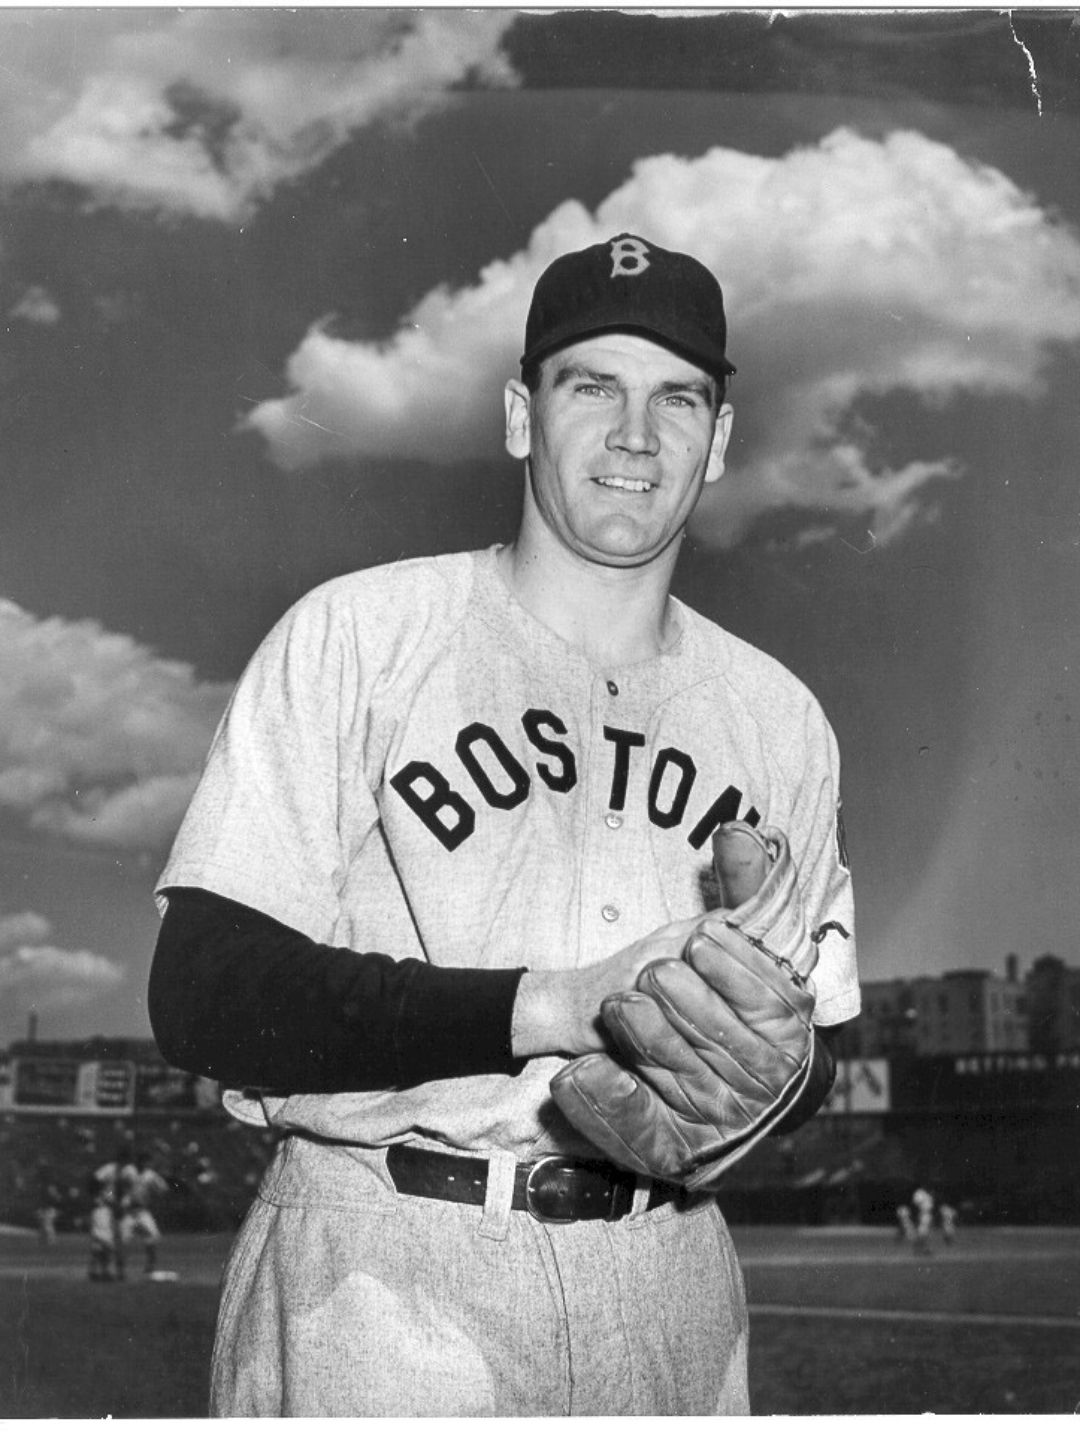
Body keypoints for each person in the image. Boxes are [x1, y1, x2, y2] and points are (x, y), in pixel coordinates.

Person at [149, 232, 859, 1416]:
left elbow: (819, 1039)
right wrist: (561, 1004)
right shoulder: (360, 635)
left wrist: (775, 1079)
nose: (636, 435)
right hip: (380, 1272)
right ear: (523, 417)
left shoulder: (779, 717)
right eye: (594, 387)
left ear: (721, 440)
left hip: (672, 1280)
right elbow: (206, 991)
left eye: (677, 398)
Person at [119, 1152, 170, 1275]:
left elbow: (163, 1188)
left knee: (153, 1236)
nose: (144, 1164)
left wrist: (155, 1194)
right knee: (123, 1240)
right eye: (143, 1161)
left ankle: (150, 1265)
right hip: (127, 1211)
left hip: (142, 1211)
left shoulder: (150, 1175)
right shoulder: (128, 1170)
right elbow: (118, 1183)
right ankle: (120, 1269)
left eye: (146, 1162)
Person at [87, 1177, 119, 1282]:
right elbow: (102, 1200)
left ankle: (105, 1272)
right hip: (99, 1224)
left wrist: (109, 1192)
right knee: (98, 1252)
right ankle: (95, 1272)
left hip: (106, 1228)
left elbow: (111, 1199)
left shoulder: (107, 1195)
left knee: (106, 1253)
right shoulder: (98, 1196)